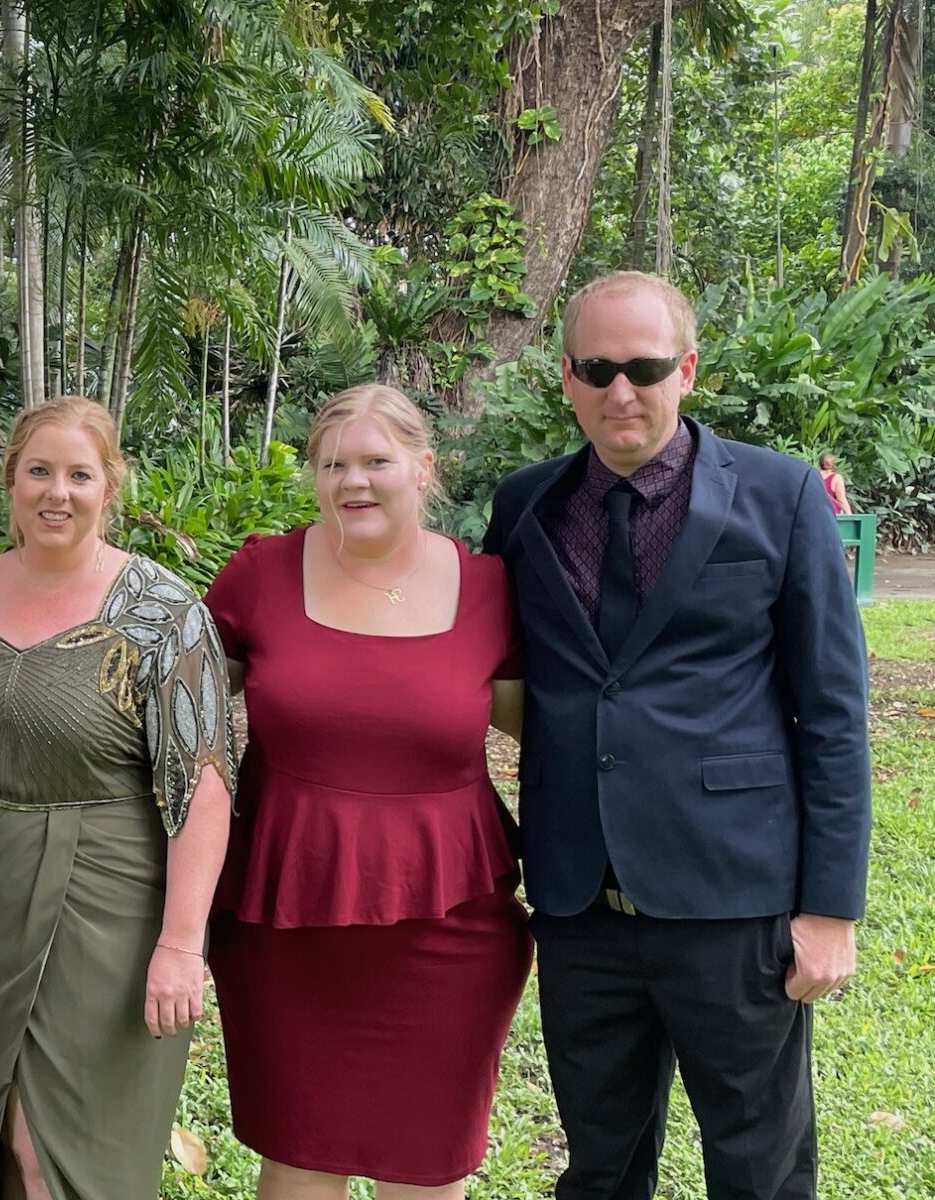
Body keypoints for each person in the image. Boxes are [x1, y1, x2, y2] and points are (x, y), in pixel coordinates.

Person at [482, 270, 870, 1200]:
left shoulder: (777, 496)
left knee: (760, 1165)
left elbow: (831, 713)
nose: (623, 390)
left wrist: (831, 910)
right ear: (567, 376)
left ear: (687, 370)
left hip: (732, 900)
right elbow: (492, 671)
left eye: (646, 367)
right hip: (580, 904)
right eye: (598, 367)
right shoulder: (525, 506)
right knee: (601, 1164)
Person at [200, 385, 531, 1199]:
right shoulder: (261, 574)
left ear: (424, 468)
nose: (355, 481)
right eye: (334, 464)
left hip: (448, 926)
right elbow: (172, 710)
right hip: (285, 920)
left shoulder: (490, 588)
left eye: (377, 461)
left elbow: (565, 735)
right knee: (298, 1158)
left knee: (428, 1164)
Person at [0, 394, 239, 1200]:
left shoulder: (163, 613)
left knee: (56, 1144)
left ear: (110, 487)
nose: (57, 492)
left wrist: (181, 944)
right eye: (39, 472)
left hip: (105, 907)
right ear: (10, 483)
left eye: (79, 475)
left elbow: (202, 782)